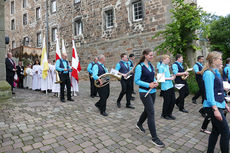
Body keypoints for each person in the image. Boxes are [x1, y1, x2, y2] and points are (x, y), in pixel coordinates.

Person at [135, 49, 165, 148]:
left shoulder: (151, 66)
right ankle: (155, 138)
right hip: (144, 93)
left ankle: (139, 123)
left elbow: (152, 77)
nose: (152, 57)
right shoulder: (140, 66)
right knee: (151, 113)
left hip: (152, 92)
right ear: (145, 55)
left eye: (152, 55)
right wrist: (149, 84)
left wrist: (155, 82)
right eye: (150, 55)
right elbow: (137, 81)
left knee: (147, 110)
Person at [201, 51, 230, 153]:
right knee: (226, 133)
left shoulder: (215, 72)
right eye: (220, 59)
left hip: (219, 104)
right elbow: (209, 94)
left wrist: (225, 105)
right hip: (212, 107)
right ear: (214, 60)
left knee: (215, 131)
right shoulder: (208, 73)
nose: (222, 60)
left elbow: (219, 91)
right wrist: (215, 109)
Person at [158, 55, 176, 120]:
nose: (169, 61)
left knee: (173, 100)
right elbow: (160, 78)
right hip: (165, 87)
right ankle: (164, 114)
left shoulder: (167, 66)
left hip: (170, 85)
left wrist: (171, 75)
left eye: (169, 59)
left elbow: (167, 75)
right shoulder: (161, 67)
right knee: (167, 101)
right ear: (163, 59)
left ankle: (169, 113)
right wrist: (170, 78)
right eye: (168, 59)